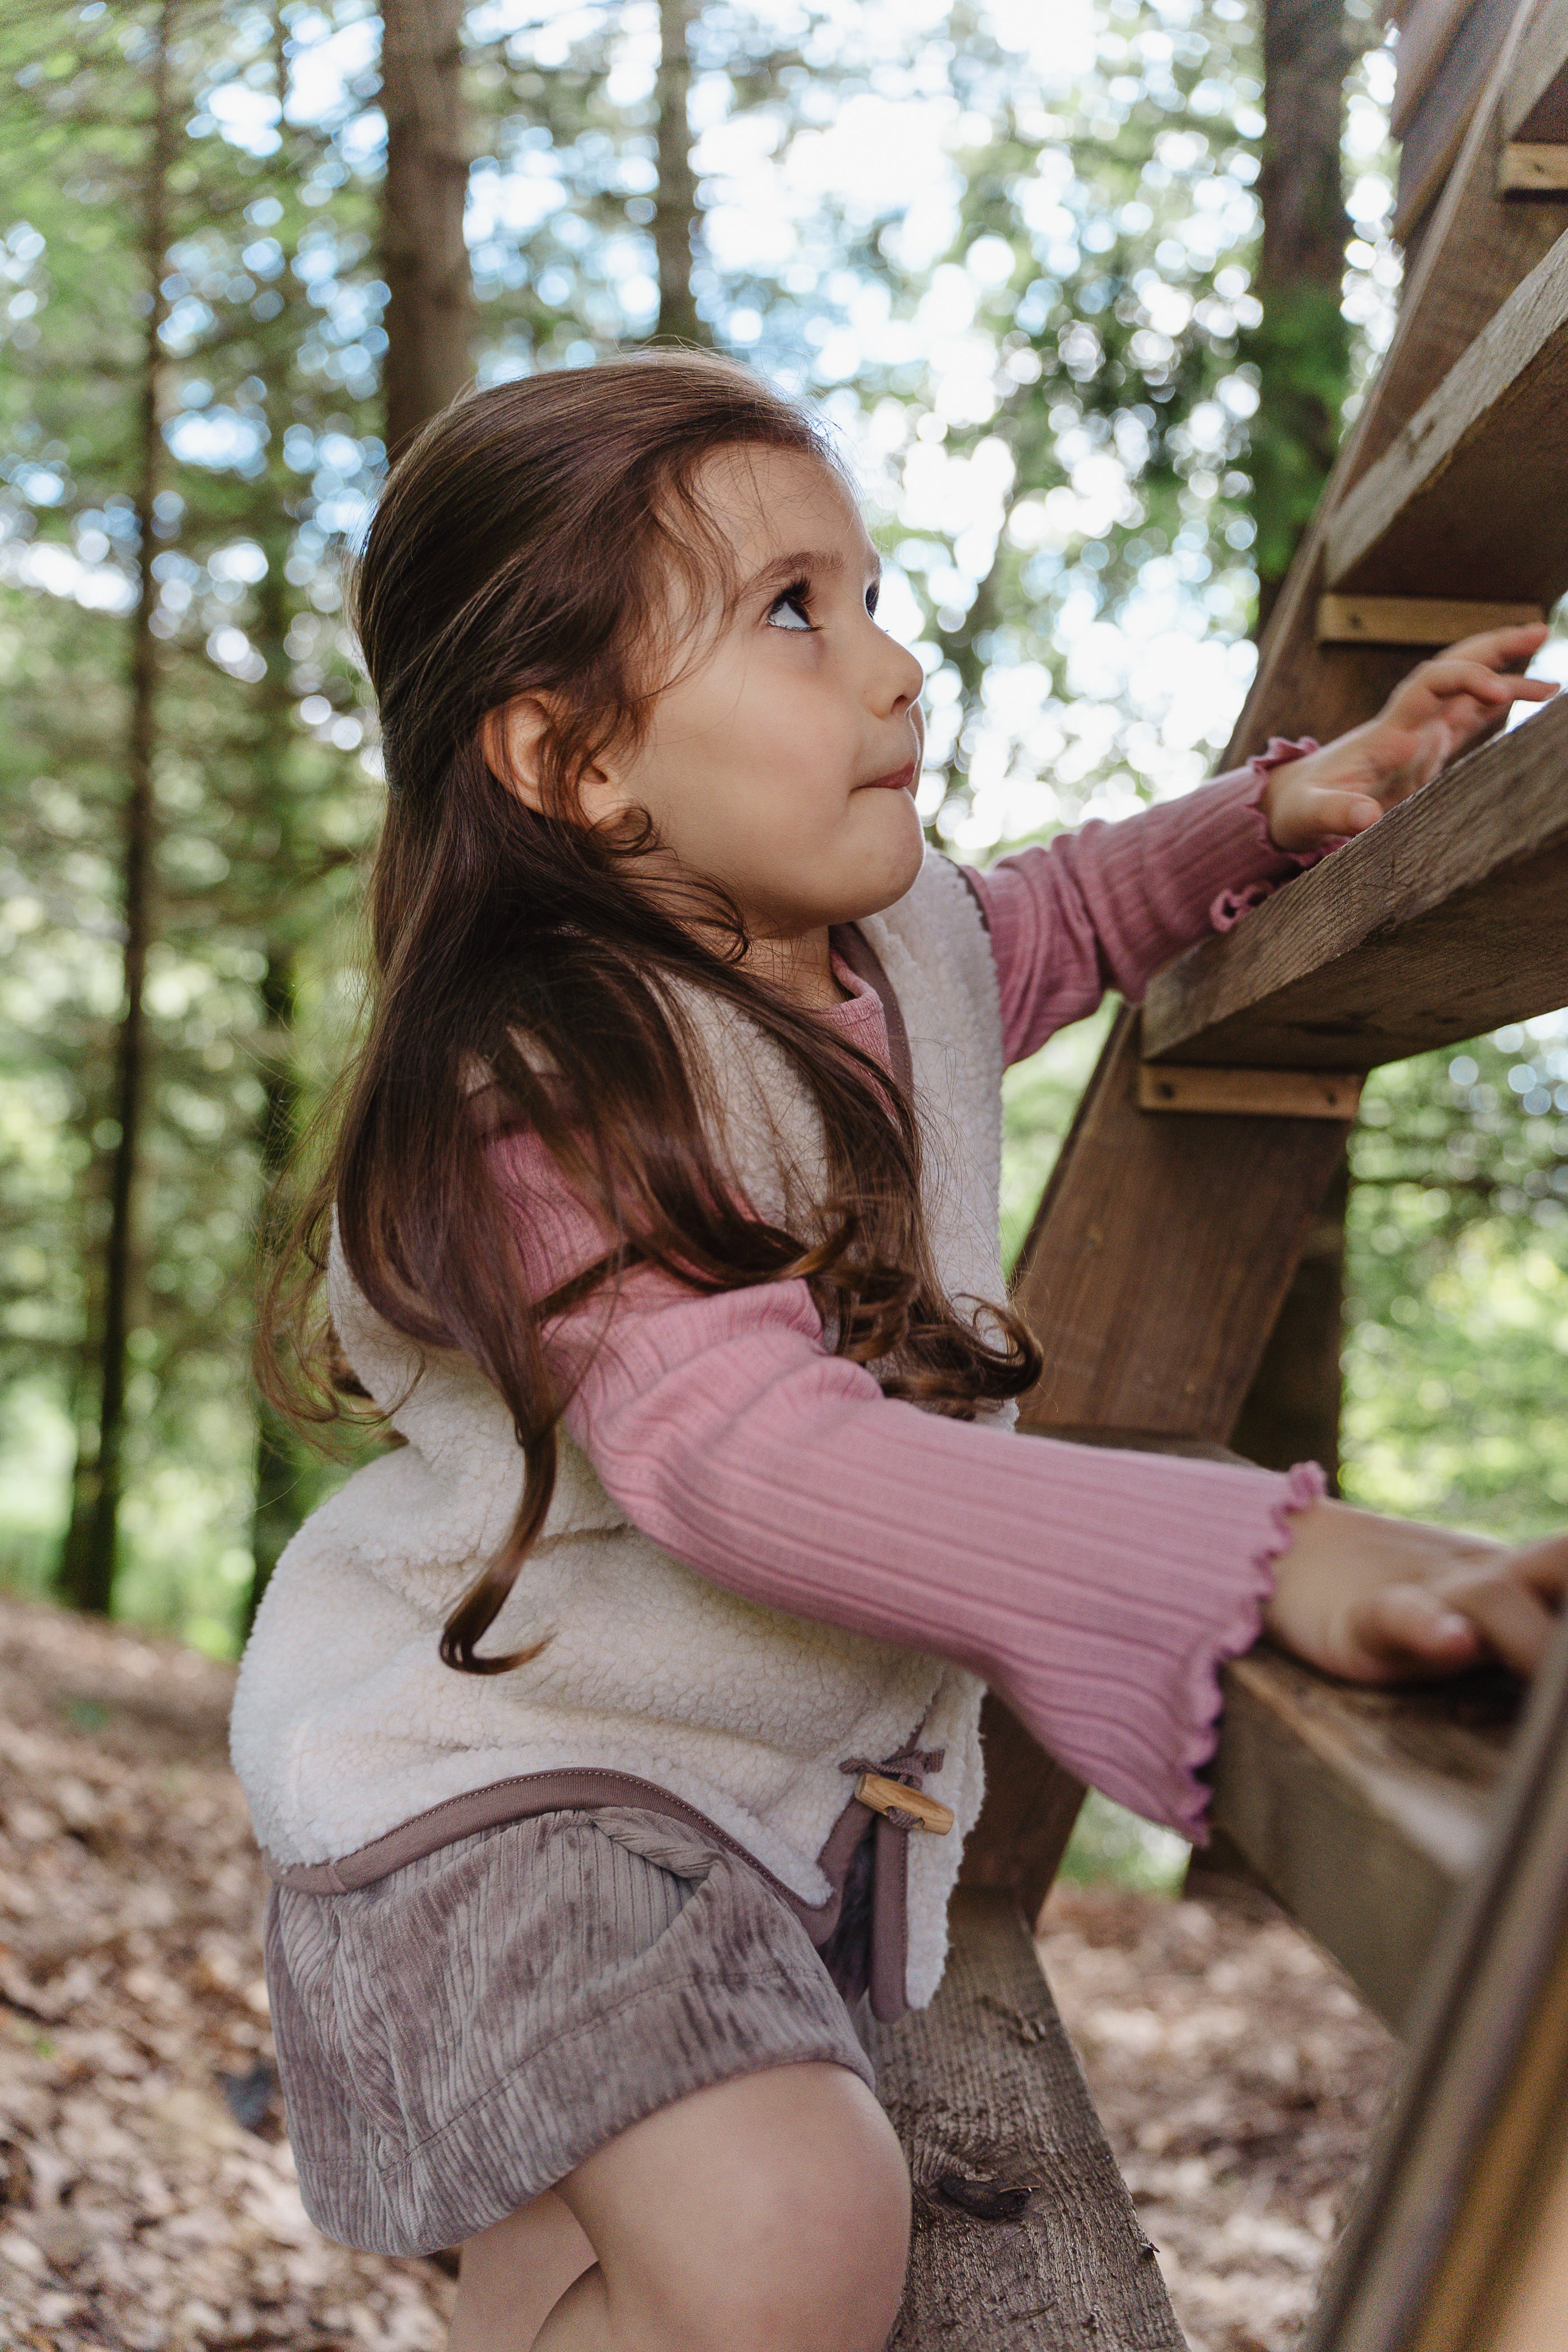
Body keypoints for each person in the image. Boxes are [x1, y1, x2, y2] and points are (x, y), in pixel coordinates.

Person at [233, 351, 1566, 2352]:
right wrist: (1263, 1555)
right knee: (788, 2245)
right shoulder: (539, 1089)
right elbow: (751, 1459)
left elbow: (1054, 918)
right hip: (507, 1794)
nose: (895, 666)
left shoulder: (890, 946)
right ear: (574, 759)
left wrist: (1284, 807)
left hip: (750, 1801)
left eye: (870, 595)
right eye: (795, 612)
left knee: (612, 2280)